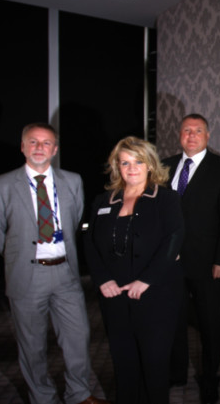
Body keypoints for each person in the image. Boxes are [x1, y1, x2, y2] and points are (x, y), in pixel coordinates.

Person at [0, 122, 107, 404]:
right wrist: (20, 259)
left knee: (78, 339)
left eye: (46, 142)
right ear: (23, 146)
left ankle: (79, 394)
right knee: (32, 346)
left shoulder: (72, 181)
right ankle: (42, 398)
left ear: (55, 149)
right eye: (33, 142)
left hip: (66, 274)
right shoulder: (2, 185)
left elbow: (74, 220)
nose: (40, 147)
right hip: (27, 278)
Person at [84, 136, 185, 404]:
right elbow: (90, 243)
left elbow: (173, 240)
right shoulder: (104, 200)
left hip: (156, 295)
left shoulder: (166, 199)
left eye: (138, 161)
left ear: (150, 165)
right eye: (125, 162)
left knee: (154, 365)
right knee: (123, 362)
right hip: (114, 295)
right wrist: (102, 279)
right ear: (117, 166)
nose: (132, 168)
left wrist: (146, 280)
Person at [164, 114, 220, 404]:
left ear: (208, 136)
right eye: (186, 131)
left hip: (208, 264)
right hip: (169, 263)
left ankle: (210, 379)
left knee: (209, 324)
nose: (191, 135)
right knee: (174, 320)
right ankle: (177, 372)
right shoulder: (165, 166)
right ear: (179, 135)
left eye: (198, 131)